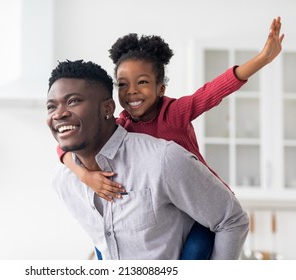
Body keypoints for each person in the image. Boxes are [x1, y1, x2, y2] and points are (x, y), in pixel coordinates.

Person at [56, 17, 284, 259]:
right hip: (164, 210)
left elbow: (216, 90)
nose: (131, 90)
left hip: (198, 208)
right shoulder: (122, 125)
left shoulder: (175, 113)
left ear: (161, 88)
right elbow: (66, 148)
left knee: (197, 249)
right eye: (123, 84)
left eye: (142, 82)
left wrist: (263, 58)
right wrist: (85, 176)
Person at [46, 59, 249, 260]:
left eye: (73, 101)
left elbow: (232, 220)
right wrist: (83, 174)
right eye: (51, 106)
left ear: (108, 108)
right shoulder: (64, 180)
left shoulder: (164, 159)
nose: (59, 114)